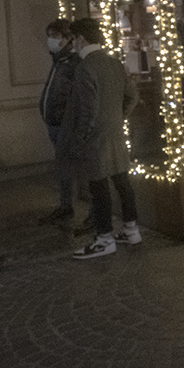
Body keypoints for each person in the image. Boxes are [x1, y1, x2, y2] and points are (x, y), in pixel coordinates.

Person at [60, 18, 141, 259]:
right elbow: (132, 97)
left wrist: (79, 141)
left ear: (81, 39)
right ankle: (131, 230)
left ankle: (105, 238)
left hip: (96, 139)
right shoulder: (115, 63)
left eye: (73, 40)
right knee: (122, 182)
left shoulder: (85, 68)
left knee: (99, 187)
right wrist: (119, 118)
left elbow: (88, 111)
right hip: (115, 134)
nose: (73, 45)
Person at [38, 19, 81, 224]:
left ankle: (73, 206)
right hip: (54, 123)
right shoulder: (58, 61)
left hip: (64, 124)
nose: (51, 41)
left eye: (55, 36)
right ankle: (66, 205)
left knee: (71, 167)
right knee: (63, 167)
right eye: (50, 36)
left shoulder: (73, 63)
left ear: (67, 39)